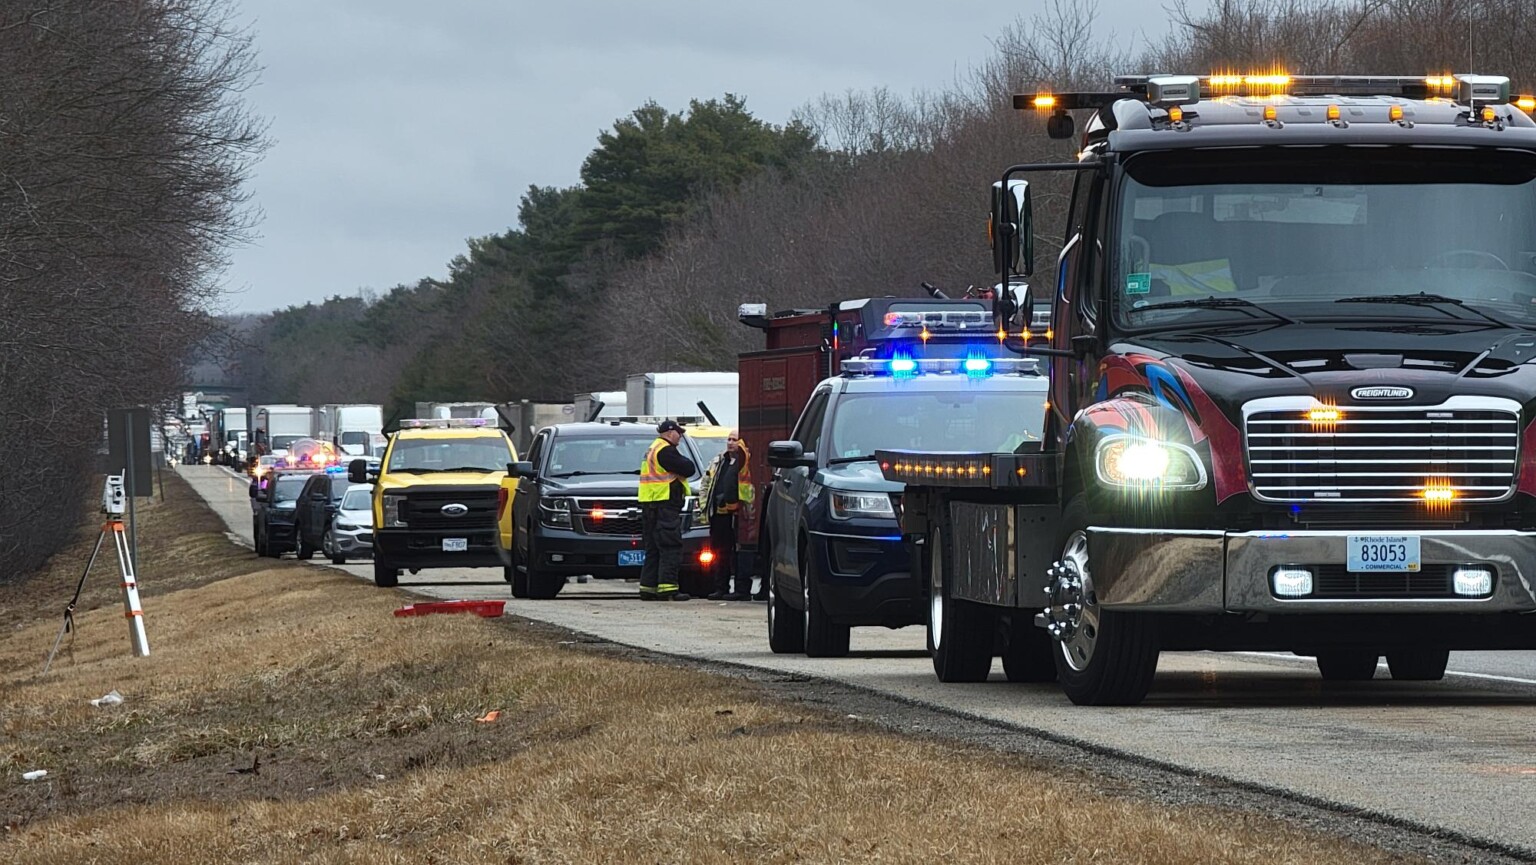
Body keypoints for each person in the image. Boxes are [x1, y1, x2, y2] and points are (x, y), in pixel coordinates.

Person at [638, 419, 697, 601]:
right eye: (679, 433)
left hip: (651, 505)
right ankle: (668, 588)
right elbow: (688, 468)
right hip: (665, 507)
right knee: (670, 547)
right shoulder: (665, 450)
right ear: (670, 432)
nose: (680, 436)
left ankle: (648, 588)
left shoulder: (652, 448)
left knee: (653, 548)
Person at [700, 430, 753, 600]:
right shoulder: (719, 461)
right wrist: (705, 507)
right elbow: (705, 483)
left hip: (738, 513)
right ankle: (720, 588)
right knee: (719, 552)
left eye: (735, 440)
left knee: (739, 552)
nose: (730, 443)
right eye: (729, 439)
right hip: (718, 514)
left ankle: (741, 590)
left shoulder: (744, 461)